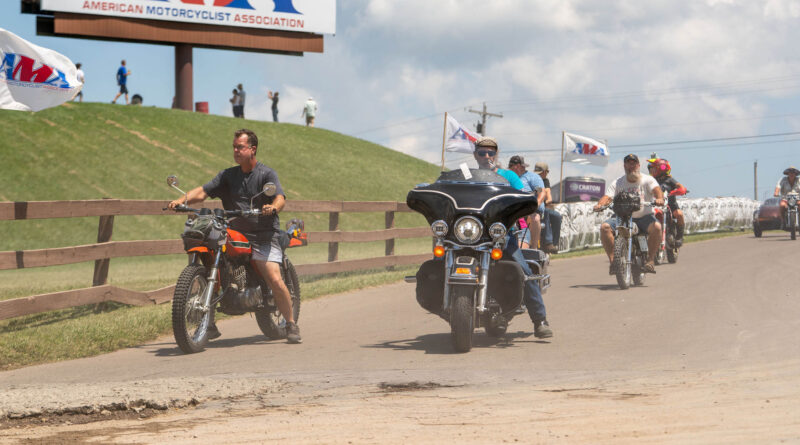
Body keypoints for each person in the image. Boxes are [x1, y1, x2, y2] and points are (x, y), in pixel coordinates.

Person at [168, 129, 301, 344]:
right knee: (211, 254)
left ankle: (291, 323)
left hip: (264, 234)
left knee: (274, 277)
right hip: (234, 231)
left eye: (240, 147)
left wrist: (273, 208)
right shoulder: (228, 176)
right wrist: (181, 200)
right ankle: (208, 324)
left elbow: (279, 197)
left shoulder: (266, 174)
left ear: (252, 149)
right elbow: (202, 191)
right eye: (234, 147)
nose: (236, 151)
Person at [473, 137, 553, 338]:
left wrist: (525, 203)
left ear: (496, 155)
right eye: (482, 152)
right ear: (475, 155)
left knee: (523, 271)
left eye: (491, 152)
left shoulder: (509, 176)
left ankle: (540, 320)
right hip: (472, 235)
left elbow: (525, 195)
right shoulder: (468, 176)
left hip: (502, 236)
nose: (486, 156)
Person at [593, 154, 664, 274]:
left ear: (638, 165)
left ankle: (650, 260)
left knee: (657, 227)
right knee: (605, 227)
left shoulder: (648, 180)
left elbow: (656, 190)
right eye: (628, 163)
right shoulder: (618, 182)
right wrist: (600, 205)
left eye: (634, 163)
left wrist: (659, 199)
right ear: (624, 166)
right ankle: (613, 262)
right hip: (622, 217)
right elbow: (608, 196)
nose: (631, 166)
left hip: (644, 217)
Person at [507, 155, 544, 250]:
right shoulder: (506, 176)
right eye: (521, 166)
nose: (523, 168)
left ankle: (534, 248)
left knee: (535, 218)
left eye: (523, 167)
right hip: (513, 211)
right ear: (516, 166)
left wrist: (535, 206)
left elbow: (541, 192)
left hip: (531, 210)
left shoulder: (533, 177)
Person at [647, 158, 687, 246]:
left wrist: (681, 190)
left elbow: (679, 186)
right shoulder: (651, 180)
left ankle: (679, 237)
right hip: (655, 205)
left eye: (653, 168)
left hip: (671, 205)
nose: (651, 170)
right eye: (651, 168)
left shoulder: (669, 180)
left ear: (661, 168)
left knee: (679, 214)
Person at [534, 162, 562, 254]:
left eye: (541, 172)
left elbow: (549, 197)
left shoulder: (545, 181)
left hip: (543, 207)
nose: (541, 174)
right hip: (533, 208)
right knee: (545, 212)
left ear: (546, 172)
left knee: (557, 216)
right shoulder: (533, 180)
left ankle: (554, 244)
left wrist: (546, 200)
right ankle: (548, 243)